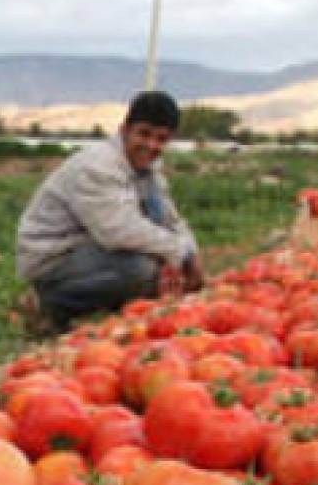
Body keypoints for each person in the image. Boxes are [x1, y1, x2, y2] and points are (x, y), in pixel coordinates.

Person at [16, 90, 204, 332]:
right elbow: (119, 230)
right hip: (55, 257)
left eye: (160, 139)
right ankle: (48, 303)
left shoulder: (148, 169)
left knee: (160, 263)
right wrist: (179, 254)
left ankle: (111, 311)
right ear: (125, 129)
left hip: (94, 251)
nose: (151, 145)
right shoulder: (97, 166)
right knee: (142, 270)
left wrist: (191, 253)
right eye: (144, 134)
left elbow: (170, 219)